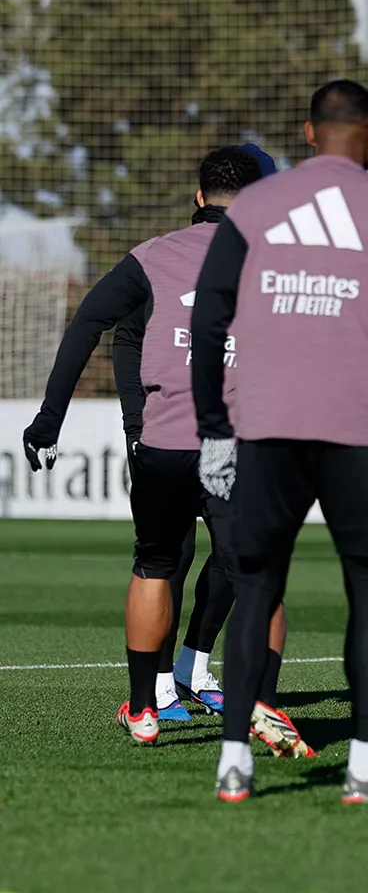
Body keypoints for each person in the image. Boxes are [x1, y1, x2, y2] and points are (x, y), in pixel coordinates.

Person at [191, 79, 368, 803]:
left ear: (310, 134)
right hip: (357, 432)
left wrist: (215, 429)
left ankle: (233, 765)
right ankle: (367, 768)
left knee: (255, 589)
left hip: (267, 430)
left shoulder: (252, 206)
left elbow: (209, 323)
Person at [22, 145, 307, 756]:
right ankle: (262, 697)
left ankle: (146, 708)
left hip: (164, 443)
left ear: (199, 197)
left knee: (154, 565)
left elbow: (85, 327)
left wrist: (49, 420)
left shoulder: (149, 258)